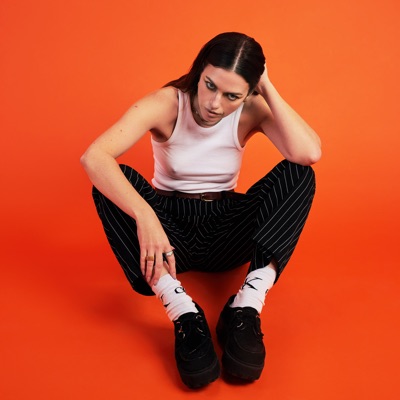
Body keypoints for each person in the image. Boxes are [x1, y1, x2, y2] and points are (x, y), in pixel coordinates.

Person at [80, 32, 321, 389]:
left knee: (299, 173)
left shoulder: (252, 108)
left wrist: (267, 87)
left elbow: (309, 153)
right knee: (113, 181)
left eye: (232, 96)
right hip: (168, 234)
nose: (215, 104)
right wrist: (146, 217)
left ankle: (246, 306)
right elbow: (94, 157)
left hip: (226, 230)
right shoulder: (166, 103)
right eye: (210, 85)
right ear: (199, 69)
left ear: (248, 92)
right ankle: (182, 311)